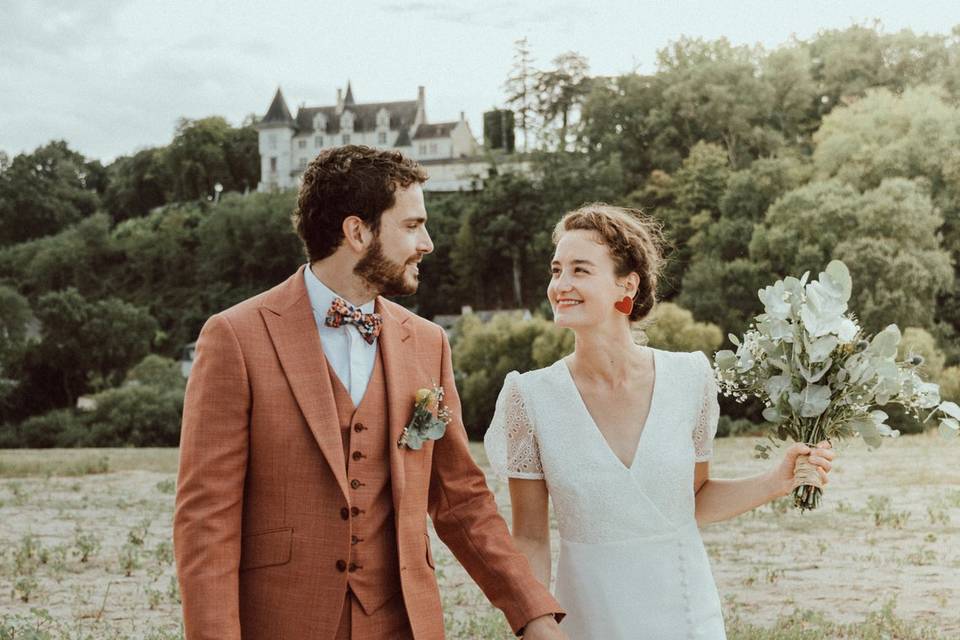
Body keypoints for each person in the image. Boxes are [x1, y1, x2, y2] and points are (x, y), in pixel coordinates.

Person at [174, 145, 566, 640]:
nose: (426, 242)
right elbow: (206, 520)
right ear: (357, 232)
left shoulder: (428, 343)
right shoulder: (235, 337)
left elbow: (460, 499)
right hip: (283, 623)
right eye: (411, 225)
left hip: (403, 624)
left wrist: (532, 613)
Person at [484, 203, 835, 640]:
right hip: (588, 618)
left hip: (687, 615)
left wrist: (774, 480)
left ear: (625, 284)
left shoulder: (690, 377)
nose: (561, 285)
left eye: (580, 270)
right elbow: (531, 539)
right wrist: (537, 628)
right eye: (557, 271)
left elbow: (693, 500)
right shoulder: (529, 397)